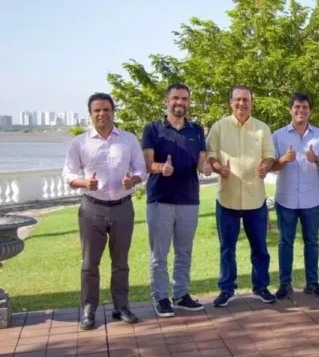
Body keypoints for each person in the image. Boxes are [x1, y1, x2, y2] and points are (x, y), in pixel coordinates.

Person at [63, 93, 147, 330]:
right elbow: (68, 174)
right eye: (97, 110)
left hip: (122, 207)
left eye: (106, 109)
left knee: (121, 262)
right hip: (92, 208)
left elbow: (141, 169)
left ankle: (121, 308)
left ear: (113, 112)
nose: (102, 114)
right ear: (90, 114)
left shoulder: (128, 140)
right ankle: (88, 310)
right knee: (90, 263)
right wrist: (84, 183)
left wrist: (133, 180)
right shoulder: (80, 143)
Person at [142, 83, 212, 318]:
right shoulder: (152, 129)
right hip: (160, 199)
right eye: (175, 98)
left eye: (184, 99)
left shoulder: (197, 130)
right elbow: (147, 163)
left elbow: (202, 162)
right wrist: (161, 168)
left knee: (184, 252)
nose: (180, 102)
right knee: (159, 254)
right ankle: (160, 297)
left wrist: (206, 167)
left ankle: (181, 295)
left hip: (189, 200)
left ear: (188, 102)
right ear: (166, 101)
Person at [206, 85, 276, 307]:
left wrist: (265, 166)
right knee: (227, 248)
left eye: (246, 100)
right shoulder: (218, 128)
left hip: (255, 199)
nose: (241, 104)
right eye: (237, 99)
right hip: (227, 199)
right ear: (230, 102)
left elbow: (269, 156)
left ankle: (261, 287)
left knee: (260, 248)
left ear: (251, 103)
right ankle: (227, 289)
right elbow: (210, 157)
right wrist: (219, 168)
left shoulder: (262, 128)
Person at [271, 92, 319, 299]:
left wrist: (316, 159)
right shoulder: (278, 135)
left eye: (305, 107)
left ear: (309, 111)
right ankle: (285, 284)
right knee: (285, 243)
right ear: (290, 110)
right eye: (297, 107)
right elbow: (271, 166)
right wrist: (283, 160)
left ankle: (312, 283)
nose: (301, 110)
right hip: (286, 199)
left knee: (312, 242)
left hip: (311, 199)